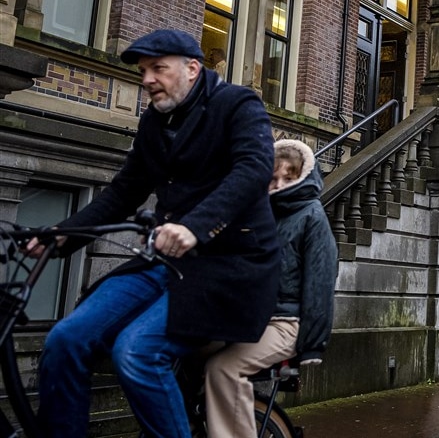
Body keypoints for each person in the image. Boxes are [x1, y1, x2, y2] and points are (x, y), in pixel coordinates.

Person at [26, 29, 281, 437]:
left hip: (228, 268)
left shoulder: (237, 104)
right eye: (144, 71)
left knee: (137, 351)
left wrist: (194, 227)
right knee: (66, 339)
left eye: (157, 69)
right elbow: (124, 192)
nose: (146, 79)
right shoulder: (154, 121)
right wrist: (61, 233)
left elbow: (252, 169)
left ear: (192, 69)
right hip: (166, 262)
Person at [205, 139, 338, 436]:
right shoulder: (258, 214)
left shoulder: (312, 218)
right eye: (272, 178)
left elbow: (321, 282)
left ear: (302, 177)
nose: (278, 185)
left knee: (223, 369)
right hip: (250, 318)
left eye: (287, 178)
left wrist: (312, 344)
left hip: (285, 323)